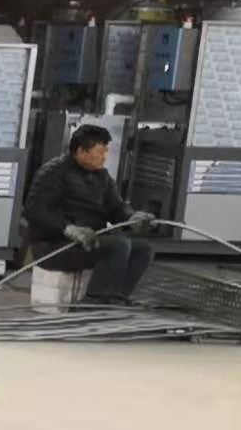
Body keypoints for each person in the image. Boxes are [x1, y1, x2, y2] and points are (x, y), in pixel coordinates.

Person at [24, 124, 156, 304]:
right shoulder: (53, 173)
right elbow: (35, 210)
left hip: (89, 242)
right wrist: (68, 228)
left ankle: (117, 299)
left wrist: (131, 218)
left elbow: (116, 208)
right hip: (54, 246)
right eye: (100, 152)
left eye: (106, 151)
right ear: (81, 151)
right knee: (118, 246)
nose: (104, 157)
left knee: (143, 249)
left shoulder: (102, 177)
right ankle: (93, 302)